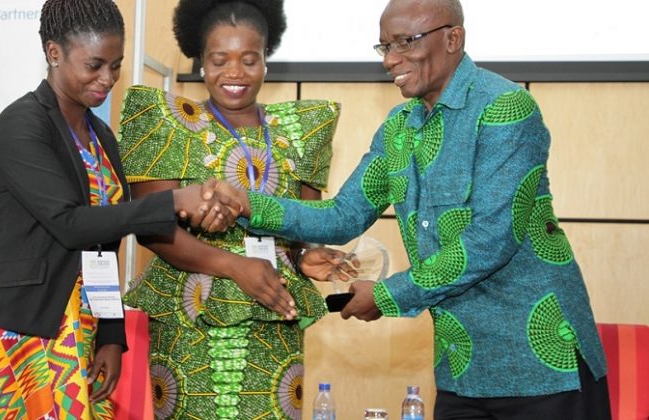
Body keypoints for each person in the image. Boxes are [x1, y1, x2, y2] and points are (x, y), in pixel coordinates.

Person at [219, 0, 612, 418]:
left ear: (452, 38)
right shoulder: (398, 127)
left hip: (541, 365)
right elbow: (341, 216)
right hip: (461, 367)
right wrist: (246, 203)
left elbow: (490, 241)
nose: (390, 60)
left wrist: (389, 295)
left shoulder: (505, 109)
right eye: (384, 46)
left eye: (405, 43)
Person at [0, 0, 239, 418]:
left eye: (116, 65)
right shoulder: (22, 123)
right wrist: (174, 201)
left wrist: (110, 332)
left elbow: (104, 246)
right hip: (1, 328)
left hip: (69, 327)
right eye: (94, 65)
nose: (107, 78)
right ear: (54, 53)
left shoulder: (101, 135)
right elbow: (69, 224)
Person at [116, 1, 341, 418]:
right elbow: (150, 226)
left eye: (249, 59)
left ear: (266, 62)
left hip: (274, 321)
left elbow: (300, 228)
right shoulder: (168, 123)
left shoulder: (301, 129)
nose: (234, 72)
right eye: (219, 60)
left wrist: (305, 255)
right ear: (201, 62)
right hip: (191, 323)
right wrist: (235, 267)